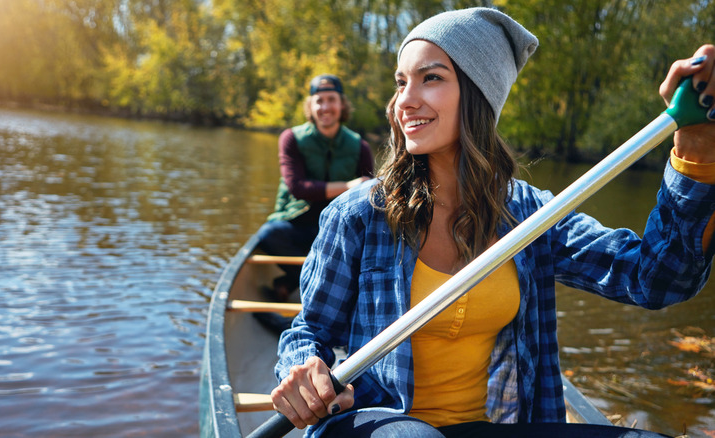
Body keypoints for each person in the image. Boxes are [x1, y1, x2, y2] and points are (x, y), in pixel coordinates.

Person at [270, 7, 715, 438]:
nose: (404, 101)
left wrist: (695, 148)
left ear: (479, 94)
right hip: (376, 421)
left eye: (431, 78)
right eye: (401, 82)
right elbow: (308, 332)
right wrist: (305, 370)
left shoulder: (532, 216)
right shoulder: (359, 214)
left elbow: (658, 278)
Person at [256, 74, 374, 304]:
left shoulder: (360, 146)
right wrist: (349, 186)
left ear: (342, 104)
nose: (325, 107)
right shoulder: (291, 138)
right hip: (297, 225)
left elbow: (369, 196)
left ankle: (289, 284)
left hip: (337, 230)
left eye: (331, 99)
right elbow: (298, 188)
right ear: (310, 106)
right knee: (268, 234)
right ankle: (309, 281)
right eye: (319, 101)